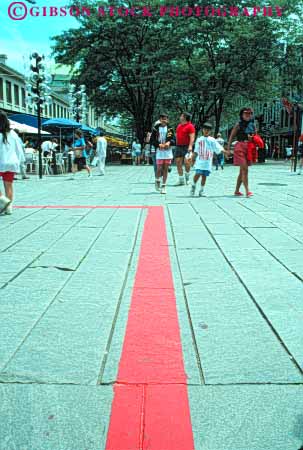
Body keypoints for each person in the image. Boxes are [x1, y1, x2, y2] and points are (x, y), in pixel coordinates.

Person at [190, 122, 227, 197]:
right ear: (202, 130)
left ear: (210, 131)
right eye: (205, 129)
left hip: (207, 162)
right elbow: (196, 151)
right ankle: (193, 185)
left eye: (208, 130)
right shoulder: (199, 140)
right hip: (200, 161)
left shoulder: (212, 140)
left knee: (204, 176)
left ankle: (201, 190)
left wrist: (225, 152)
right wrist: (192, 159)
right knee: (198, 174)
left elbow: (218, 147)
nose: (206, 131)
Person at [0, 111, 25, 215]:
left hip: (1, 161)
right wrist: (20, 162)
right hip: (12, 162)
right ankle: (8, 208)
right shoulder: (13, 133)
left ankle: (3, 200)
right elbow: (19, 149)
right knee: (9, 186)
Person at [227, 107, 255, 197]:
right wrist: (228, 149)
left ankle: (236, 191)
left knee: (242, 171)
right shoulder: (238, 125)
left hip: (249, 147)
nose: (248, 115)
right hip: (240, 147)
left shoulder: (253, 125)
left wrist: (252, 139)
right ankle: (247, 191)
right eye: (246, 113)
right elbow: (231, 137)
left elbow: (255, 136)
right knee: (245, 169)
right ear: (242, 115)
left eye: (250, 113)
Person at [150, 113, 174, 194]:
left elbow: (174, 140)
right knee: (159, 168)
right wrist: (158, 144)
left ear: (167, 120)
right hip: (159, 151)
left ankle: (164, 186)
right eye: (162, 119)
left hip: (167, 151)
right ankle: (157, 180)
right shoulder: (155, 128)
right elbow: (152, 140)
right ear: (160, 120)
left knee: (166, 169)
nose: (164, 120)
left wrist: (169, 143)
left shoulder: (170, 128)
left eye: (165, 119)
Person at [174, 112, 195, 185]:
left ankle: (187, 178)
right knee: (178, 162)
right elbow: (177, 136)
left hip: (187, 146)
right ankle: (181, 180)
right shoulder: (179, 126)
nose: (180, 117)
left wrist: (190, 146)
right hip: (179, 146)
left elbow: (192, 137)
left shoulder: (190, 126)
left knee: (187, 162)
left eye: (181, 116)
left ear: (184, 117)